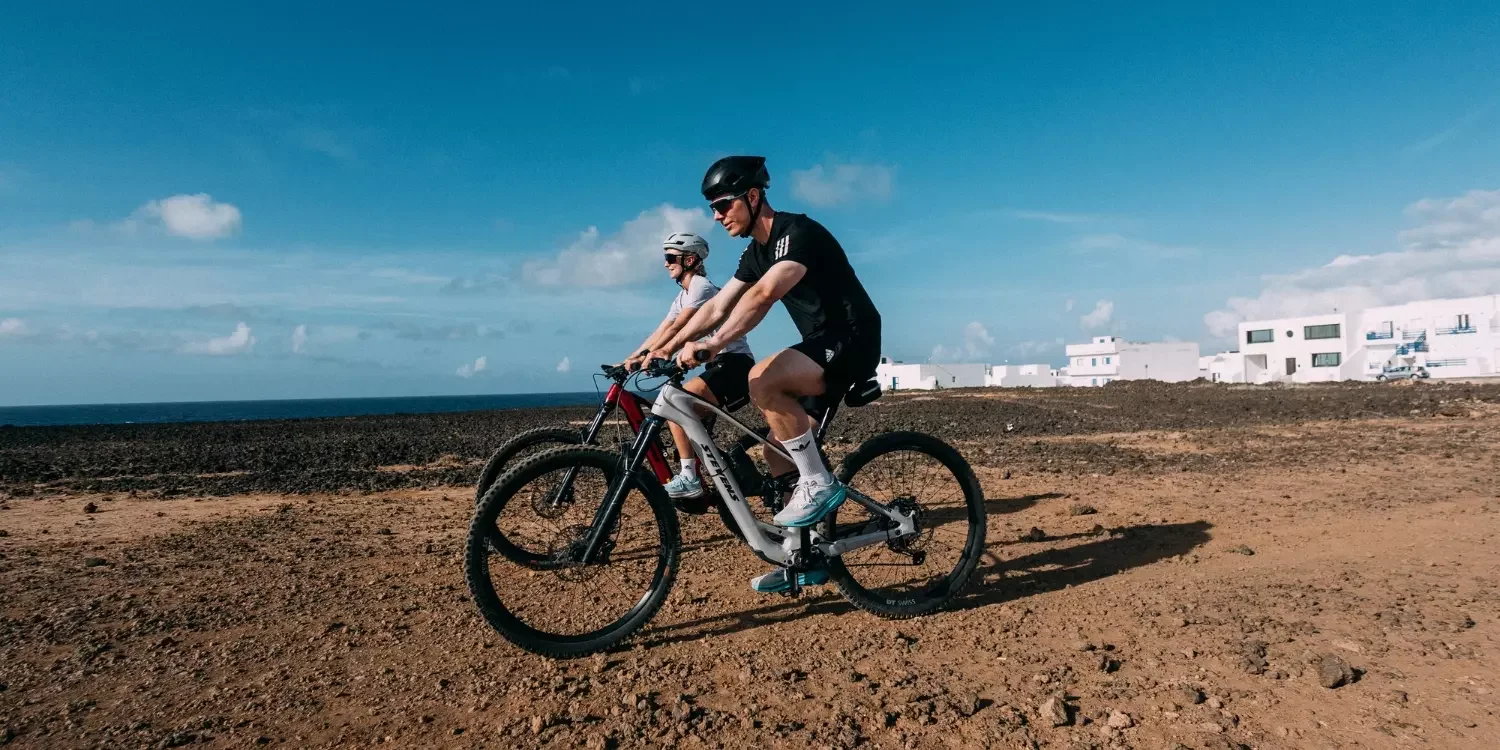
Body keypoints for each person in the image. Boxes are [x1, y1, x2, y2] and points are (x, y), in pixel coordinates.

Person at [651, 156, 882, 594]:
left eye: (723, 205)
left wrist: (713, 345)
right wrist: (665, 349)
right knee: (778, 452)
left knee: (761, 379)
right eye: (712, 209)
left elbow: (764, 294)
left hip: (852, 338)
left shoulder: (798, 234)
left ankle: (820, 484)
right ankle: (806, 558)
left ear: (753, 197)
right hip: (820, 347)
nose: (717, 217)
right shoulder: (754, 252)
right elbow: (717, 308)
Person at [622, 232, 755, 502]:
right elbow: (664, 328)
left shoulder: (701, 287)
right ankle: (712, 476)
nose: (665, 263)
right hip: (715, 365)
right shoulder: (682, 295)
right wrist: (633, 357)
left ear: (690, 259)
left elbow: (680, 326)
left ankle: (690, 478)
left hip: (733, 365)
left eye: (670, 257)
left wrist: (661, 352)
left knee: (677, 406)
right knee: (684, 415)